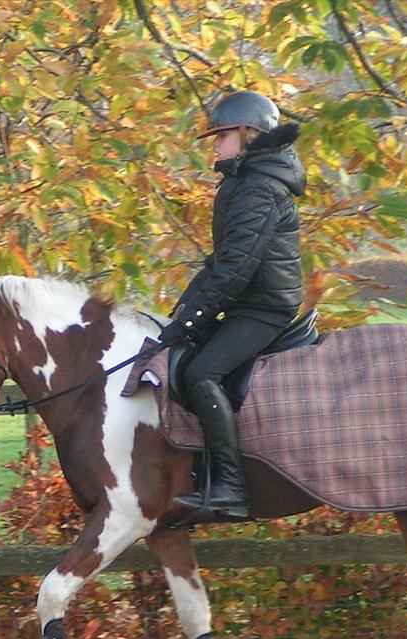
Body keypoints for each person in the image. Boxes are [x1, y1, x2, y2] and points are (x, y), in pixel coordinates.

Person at [158, 90, 306, 525]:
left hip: (264, 308)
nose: (216, 145)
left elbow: (237, 269)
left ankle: (230, 489)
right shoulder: (242, 182)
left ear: (248, 133)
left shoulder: (258, 187)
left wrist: (193, 320)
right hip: (246, 301)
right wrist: (181, 314)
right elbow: (219, 264)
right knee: (183, 362)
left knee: (204, 373)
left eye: (222, 136)